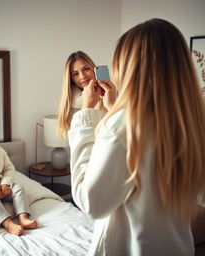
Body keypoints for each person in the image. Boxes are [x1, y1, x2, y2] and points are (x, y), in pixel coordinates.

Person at [68, 18, 205, 255]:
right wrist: (115, 111)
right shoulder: (193, 121)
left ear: (131, 68)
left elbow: (92, 204)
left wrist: (87, 117)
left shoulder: (123, 126)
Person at [58, 51, 111, 141]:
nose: (82, 76)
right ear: (71, 79)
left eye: (86, 69)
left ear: (94, 69)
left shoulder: (111, 95)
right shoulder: (69, 107)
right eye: (75, 74)